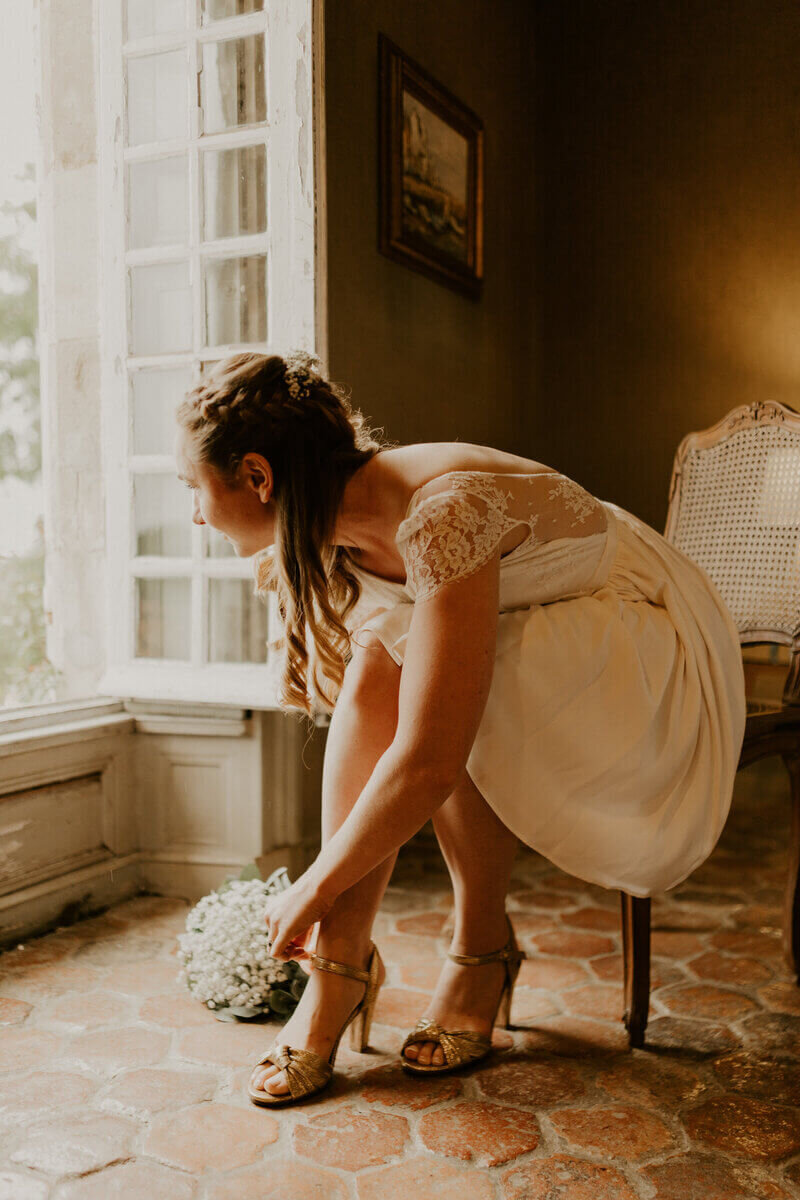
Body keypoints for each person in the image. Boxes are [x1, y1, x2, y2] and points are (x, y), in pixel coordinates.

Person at [175, 350, 747, 1107]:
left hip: (636, 629)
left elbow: (428, 761)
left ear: (257, 476)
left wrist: (314, 885)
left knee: (423, 678)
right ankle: (341, 968)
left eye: (193, 488)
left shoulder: (443, 516)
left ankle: (480, 949)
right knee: (393, 663)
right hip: (531, 628)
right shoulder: (335, 518)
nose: (191, 513)